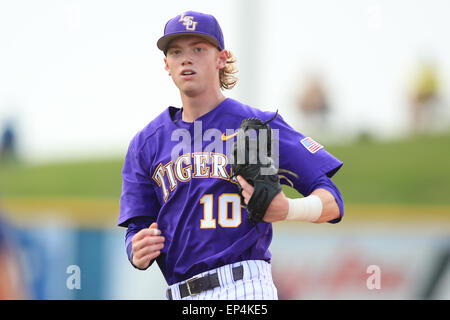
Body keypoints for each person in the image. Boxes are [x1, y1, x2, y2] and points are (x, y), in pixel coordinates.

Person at [118, 11, 344, 300]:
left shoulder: (258, 126)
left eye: (198, 49)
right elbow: (137, 227)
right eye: (176, 51)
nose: (186, 58)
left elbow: (332, 200)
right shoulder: (147, 143)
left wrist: (288, 209)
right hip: (181, 294)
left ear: (221, 58)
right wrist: (135, 250)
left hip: (244, 287)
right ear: (167, 64)